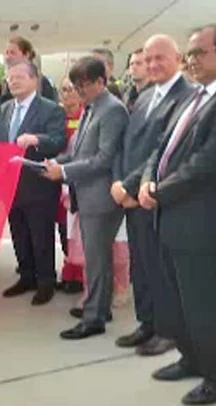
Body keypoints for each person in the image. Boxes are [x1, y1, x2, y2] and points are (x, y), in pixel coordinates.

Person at [123, 24, 216, 406]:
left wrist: (159, 192)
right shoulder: (193, 96)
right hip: (171, 217)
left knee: (207, 303)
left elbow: (213, 163)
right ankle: (192, 359)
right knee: (180, 298)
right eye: (190, 53)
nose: (192, 60)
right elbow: (160, 149)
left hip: (205, 223)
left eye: (200, 52)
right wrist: (148, 181)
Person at [111, 34, 192, 357]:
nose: (153, 64)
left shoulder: (187, 98)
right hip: (131, 195)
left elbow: (165, 152)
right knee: (141, 267)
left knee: (160, 269)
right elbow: (128, 145)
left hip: (156, 197)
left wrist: (130, 187)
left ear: (179, 59)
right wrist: (119, 182)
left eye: (161, 58)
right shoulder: (144, 96)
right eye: (148, 59)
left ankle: (168, 330)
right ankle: (147, 322)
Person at [41, 56, 128, 340]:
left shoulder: (112, 110)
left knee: (98, 259)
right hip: (88, 194)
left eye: (84, 85)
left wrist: (64, 170)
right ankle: (98, 308)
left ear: (101, 82)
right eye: (76, 86)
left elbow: (103, 159)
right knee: (96, 259)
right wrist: (54, 162)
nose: (79, 91)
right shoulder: (92, 108)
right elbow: (80, 151)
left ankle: (95, 318)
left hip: (101, 197)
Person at [0, 60, 67, 306]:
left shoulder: (51, 109)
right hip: (11, 185)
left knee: (41, 236)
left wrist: (37, 138)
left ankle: (46, 282)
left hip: (39, 184)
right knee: (19, 235)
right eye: (10, 77)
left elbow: (58, 140)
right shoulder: (5, 109)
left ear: (34, 80)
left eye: (20, 77)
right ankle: (26, 277)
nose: (13, 81)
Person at [58, 78, 84, 295]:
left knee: (79, 232)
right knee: (64, 230)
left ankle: (81, 275)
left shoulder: (87, 114)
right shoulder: (55, 116)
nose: (68, 94)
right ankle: (69, 271)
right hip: (58, 181)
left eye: (72, 89)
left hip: (78, 180)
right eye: (64, 90)